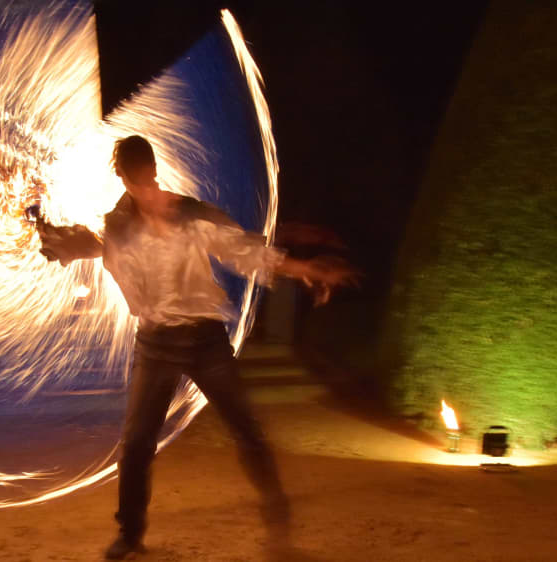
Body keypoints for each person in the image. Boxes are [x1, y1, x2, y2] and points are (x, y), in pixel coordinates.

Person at [35, 135, 356, 559]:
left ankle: (274, 519)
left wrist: (302, 268)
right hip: (157, 344)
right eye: (139, 174)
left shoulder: (186, 214)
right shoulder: (121, 224)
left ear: (134, 173)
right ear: (133, 175)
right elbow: (87, 245)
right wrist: (49, 235)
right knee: (137, 444)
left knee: (242, 431)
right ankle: (130, 535)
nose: (144, 181)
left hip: (202, 342)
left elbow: (243, 251)